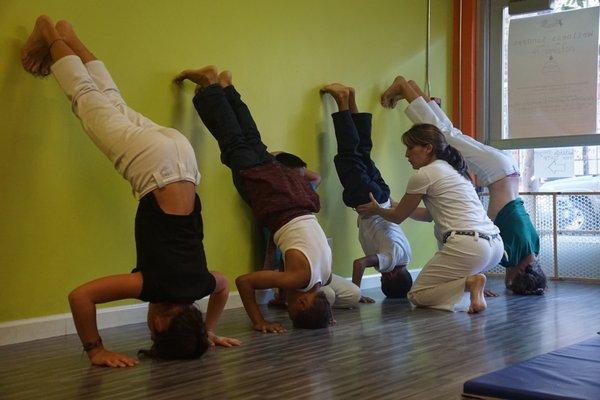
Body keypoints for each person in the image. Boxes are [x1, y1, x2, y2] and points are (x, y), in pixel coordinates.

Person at [20, 16, 240, 368]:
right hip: (154, 166)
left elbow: (224, 286)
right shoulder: (154, 286)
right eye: (155, 334)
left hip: (183, 158)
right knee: (85, 99)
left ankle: (71, 38)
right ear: (159, 323)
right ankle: (48, 34)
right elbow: (80, 297)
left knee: (111, 103)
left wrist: (209, 330)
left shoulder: (199, 284)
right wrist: (95, 350)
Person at [174, 66, 334, 332]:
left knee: (252, 141)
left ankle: (226, 88)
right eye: (294, 310)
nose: (290, 307)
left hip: (294, 193)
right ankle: (210, 84)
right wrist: (260, 321)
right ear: (304, 303)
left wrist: (325, 316)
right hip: (277, 200)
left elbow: (320, 302)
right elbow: (244, 282)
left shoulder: (325, 277)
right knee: (234, 143)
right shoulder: (299, 277)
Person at [381, 76, 546, 296]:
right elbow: (481, 255)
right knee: (445, 135)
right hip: (497, 172)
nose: (508, 277)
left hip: (506, 170)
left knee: (448, 132)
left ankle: (411, 89)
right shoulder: (514, 252)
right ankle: (403, 86)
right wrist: (490, 282)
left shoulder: (533, 246)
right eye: (513, 277)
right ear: (522, 270)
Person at [357, 124, 504, 313]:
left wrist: (377, 210)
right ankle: (472, 287)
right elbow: (428, 215)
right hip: (494, 246)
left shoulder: (424, 174)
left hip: (470, 246)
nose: (407, 155)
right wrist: (394, 204)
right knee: (441, 284)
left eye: (410, 148)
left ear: (428, 148)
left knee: (417, 294)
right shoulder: (456, 172)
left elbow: (397, 218)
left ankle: (471, 283)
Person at [320, 83, 413, 301]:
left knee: (361, 152)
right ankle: (342, 100)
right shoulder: (390, 262)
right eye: (383, 279)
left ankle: (351, 98)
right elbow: (359, 263)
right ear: (390, 277)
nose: (380, 275)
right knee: (348, 155)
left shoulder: (407, 255)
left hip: (382, 196)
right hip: (368, 200)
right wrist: (356, 292)